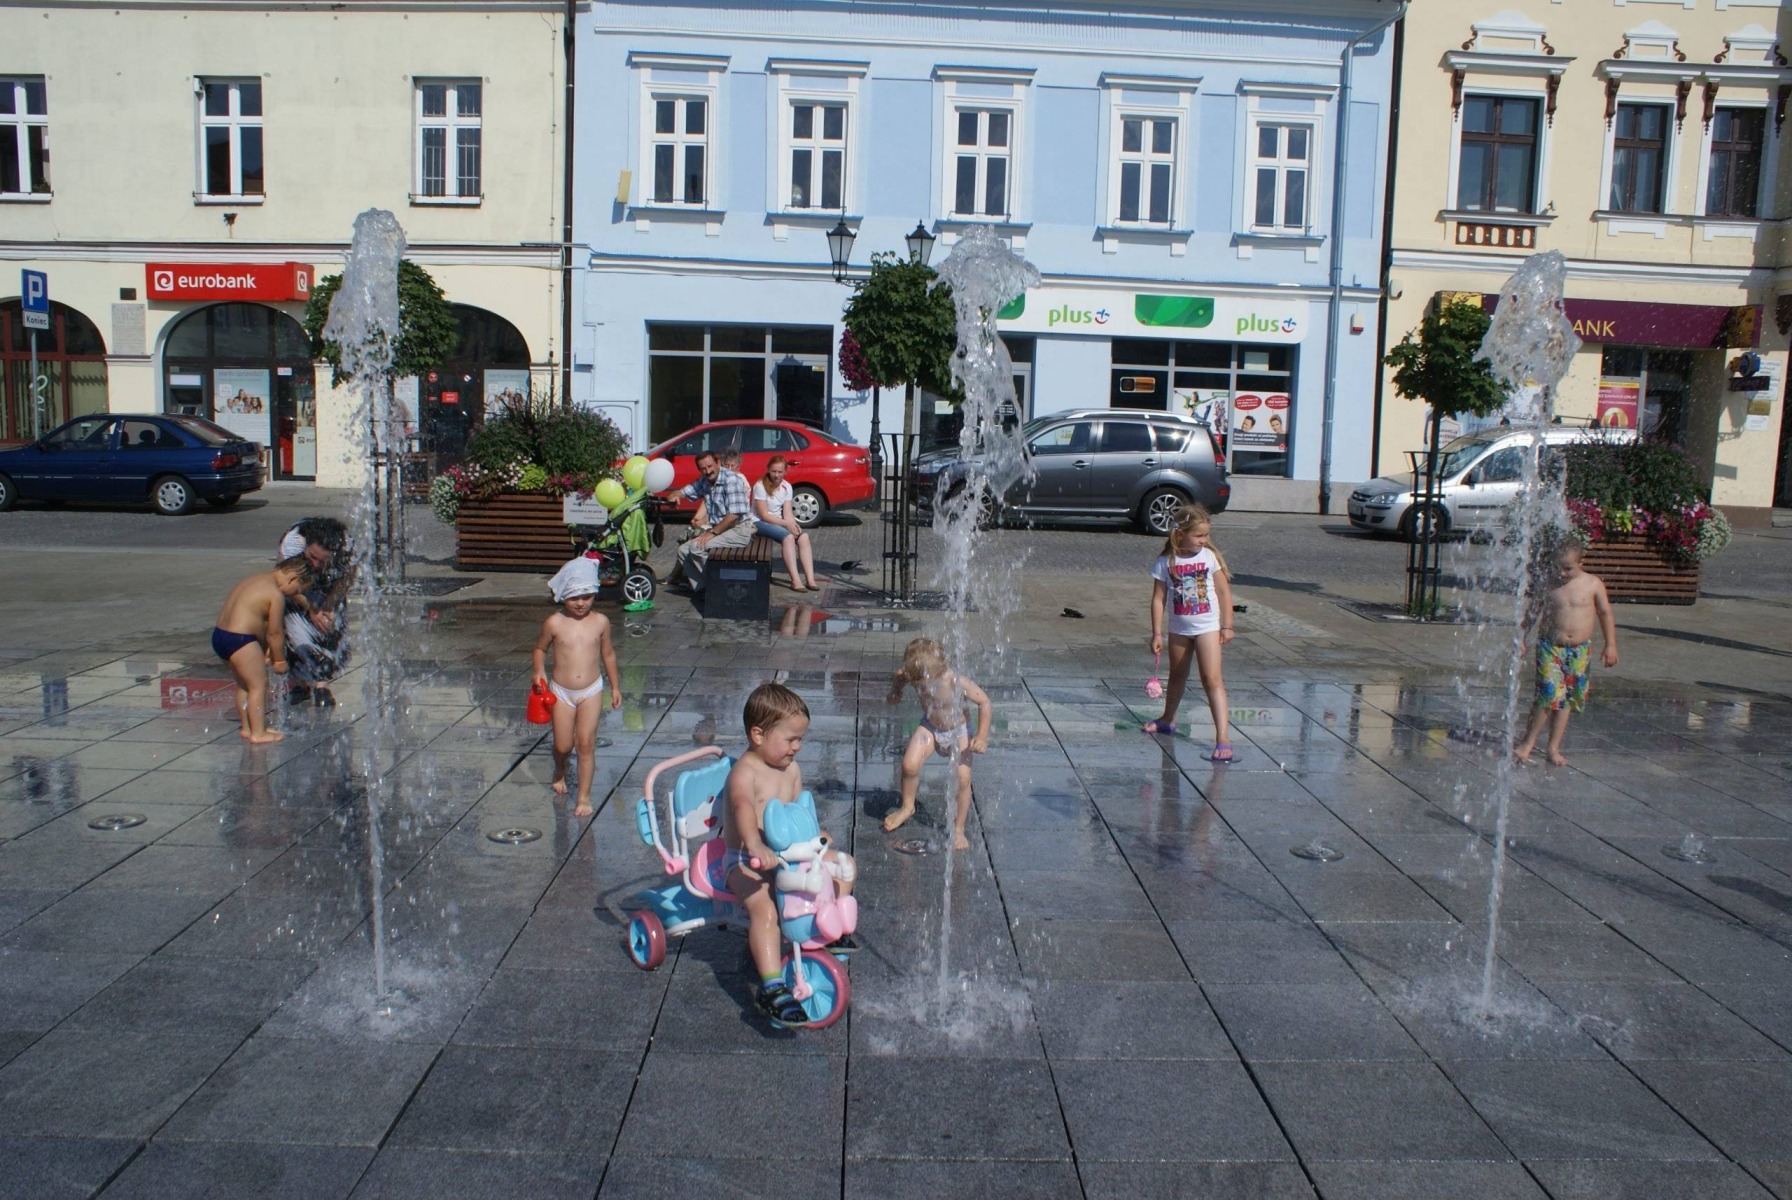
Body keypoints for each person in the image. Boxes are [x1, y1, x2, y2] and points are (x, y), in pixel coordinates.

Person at [724, 681, 858, 1026]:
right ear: (758, 735)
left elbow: (799, 811)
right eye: (790, 739)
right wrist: (755, 844)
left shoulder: (792, 769)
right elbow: (742, 809)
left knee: (844, 866)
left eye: (801, 739)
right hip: (746, 859)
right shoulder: (745, 773)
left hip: (790, 856)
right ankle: (771, 988)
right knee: (766, 911)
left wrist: (817, 836)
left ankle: (828, 928)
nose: (797, 747)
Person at [1144, 504, 1236, 761]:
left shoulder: (1208, 557)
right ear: (1180, 534)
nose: (1204, 540)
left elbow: (1224, 593)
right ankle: (1167, 719)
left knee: (1212, 679)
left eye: (1206, 535)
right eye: (1199, 535)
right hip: (1179, 629)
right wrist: (1157, 633)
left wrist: (1227, 625)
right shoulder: (1166, 562)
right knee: (1176, 676)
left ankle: (1223, 737)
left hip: (1208, 627)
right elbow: (1158, 599)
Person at [1515, 541, 1618, 767]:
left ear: (1581, 562)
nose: (1561, 573)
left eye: (1568, 568)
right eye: (1557, 567)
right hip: (1550, 647)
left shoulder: (1593, 584)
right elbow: (1532, 613)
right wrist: (1521, 638)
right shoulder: (1548, 584)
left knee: (1566, 699)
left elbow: (1605, 613)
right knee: (1547, 695)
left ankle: (1553, 747)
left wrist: (1610, 645)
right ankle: (1527, 742)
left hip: (1579, 651)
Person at [883, 637, 992, 849]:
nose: (921, 685)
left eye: (924, 681)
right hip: (931, 727)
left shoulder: (953, 680)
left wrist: (981, 736)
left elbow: (984, 702)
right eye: (917, 682)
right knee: (909, 765)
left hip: (959, 732)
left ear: (938, 671)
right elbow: (900, 676)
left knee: (963, 778)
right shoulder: (913, 673)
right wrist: (896, 691)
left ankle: (958, 828)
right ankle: (907, 807)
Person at [535, 557, 623, 816]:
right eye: (574, 597)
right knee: (563, 746)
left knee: (585, 743)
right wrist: (538, 671)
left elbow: (608, 655)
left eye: (587, 596)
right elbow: (540, 649)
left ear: (595, 594)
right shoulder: (554, 622)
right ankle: (560, 767)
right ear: (563, 595)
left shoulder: (600, 622)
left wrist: (615, 686)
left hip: (591, 691)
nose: (581, 603)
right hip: (561, 691)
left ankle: (584, 797)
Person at [214, 557, 313, 744]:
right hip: (241, 640)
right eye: (298, 590)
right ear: (292, 579)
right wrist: (279, 660)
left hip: (220, 636)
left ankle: (247, 727)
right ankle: (258, 733)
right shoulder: (275, 594)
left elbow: (256, 620)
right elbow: (274, 633)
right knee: (258, 685)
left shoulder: (253, 580)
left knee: (245, 685)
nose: (295, 594)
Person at [278, 517, 355, 707]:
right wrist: (311, 609)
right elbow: (282, 583)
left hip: (329, 585)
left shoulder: (346, 547)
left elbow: (347, 578)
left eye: (322, 560)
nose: (315, 564)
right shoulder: (293, 543)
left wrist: (328, 606)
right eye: (312, 557)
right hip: (296, 590)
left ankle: (322, 685)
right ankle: (299, 684)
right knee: (294, 626)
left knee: (329, 626)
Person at [668, 449, 754, 592]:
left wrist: (712, 533)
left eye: (710, 466)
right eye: (703, 469)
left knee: (697, 548)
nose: (707, 471)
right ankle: (705, 590)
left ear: (718, 463)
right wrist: (673, 496)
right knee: (683, 550)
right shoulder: (705, 480)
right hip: (723, 530)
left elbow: (734, 514)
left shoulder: (731, 480)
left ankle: (720, 588)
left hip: (739, 529)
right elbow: (683, 492)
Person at [753, 455, 821, 592]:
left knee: (803, 537)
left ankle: (810, 579)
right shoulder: (760, 486)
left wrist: (793, 525)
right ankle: (795, 580)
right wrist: (786, 524)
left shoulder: (787, 487)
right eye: (773, 471)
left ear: (785, 471)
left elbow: (788, 512)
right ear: (768, 470)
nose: (776, 475)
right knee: (788, 538)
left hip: (778, 521)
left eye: (780, 472)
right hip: (759, 522)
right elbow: (764, 515)